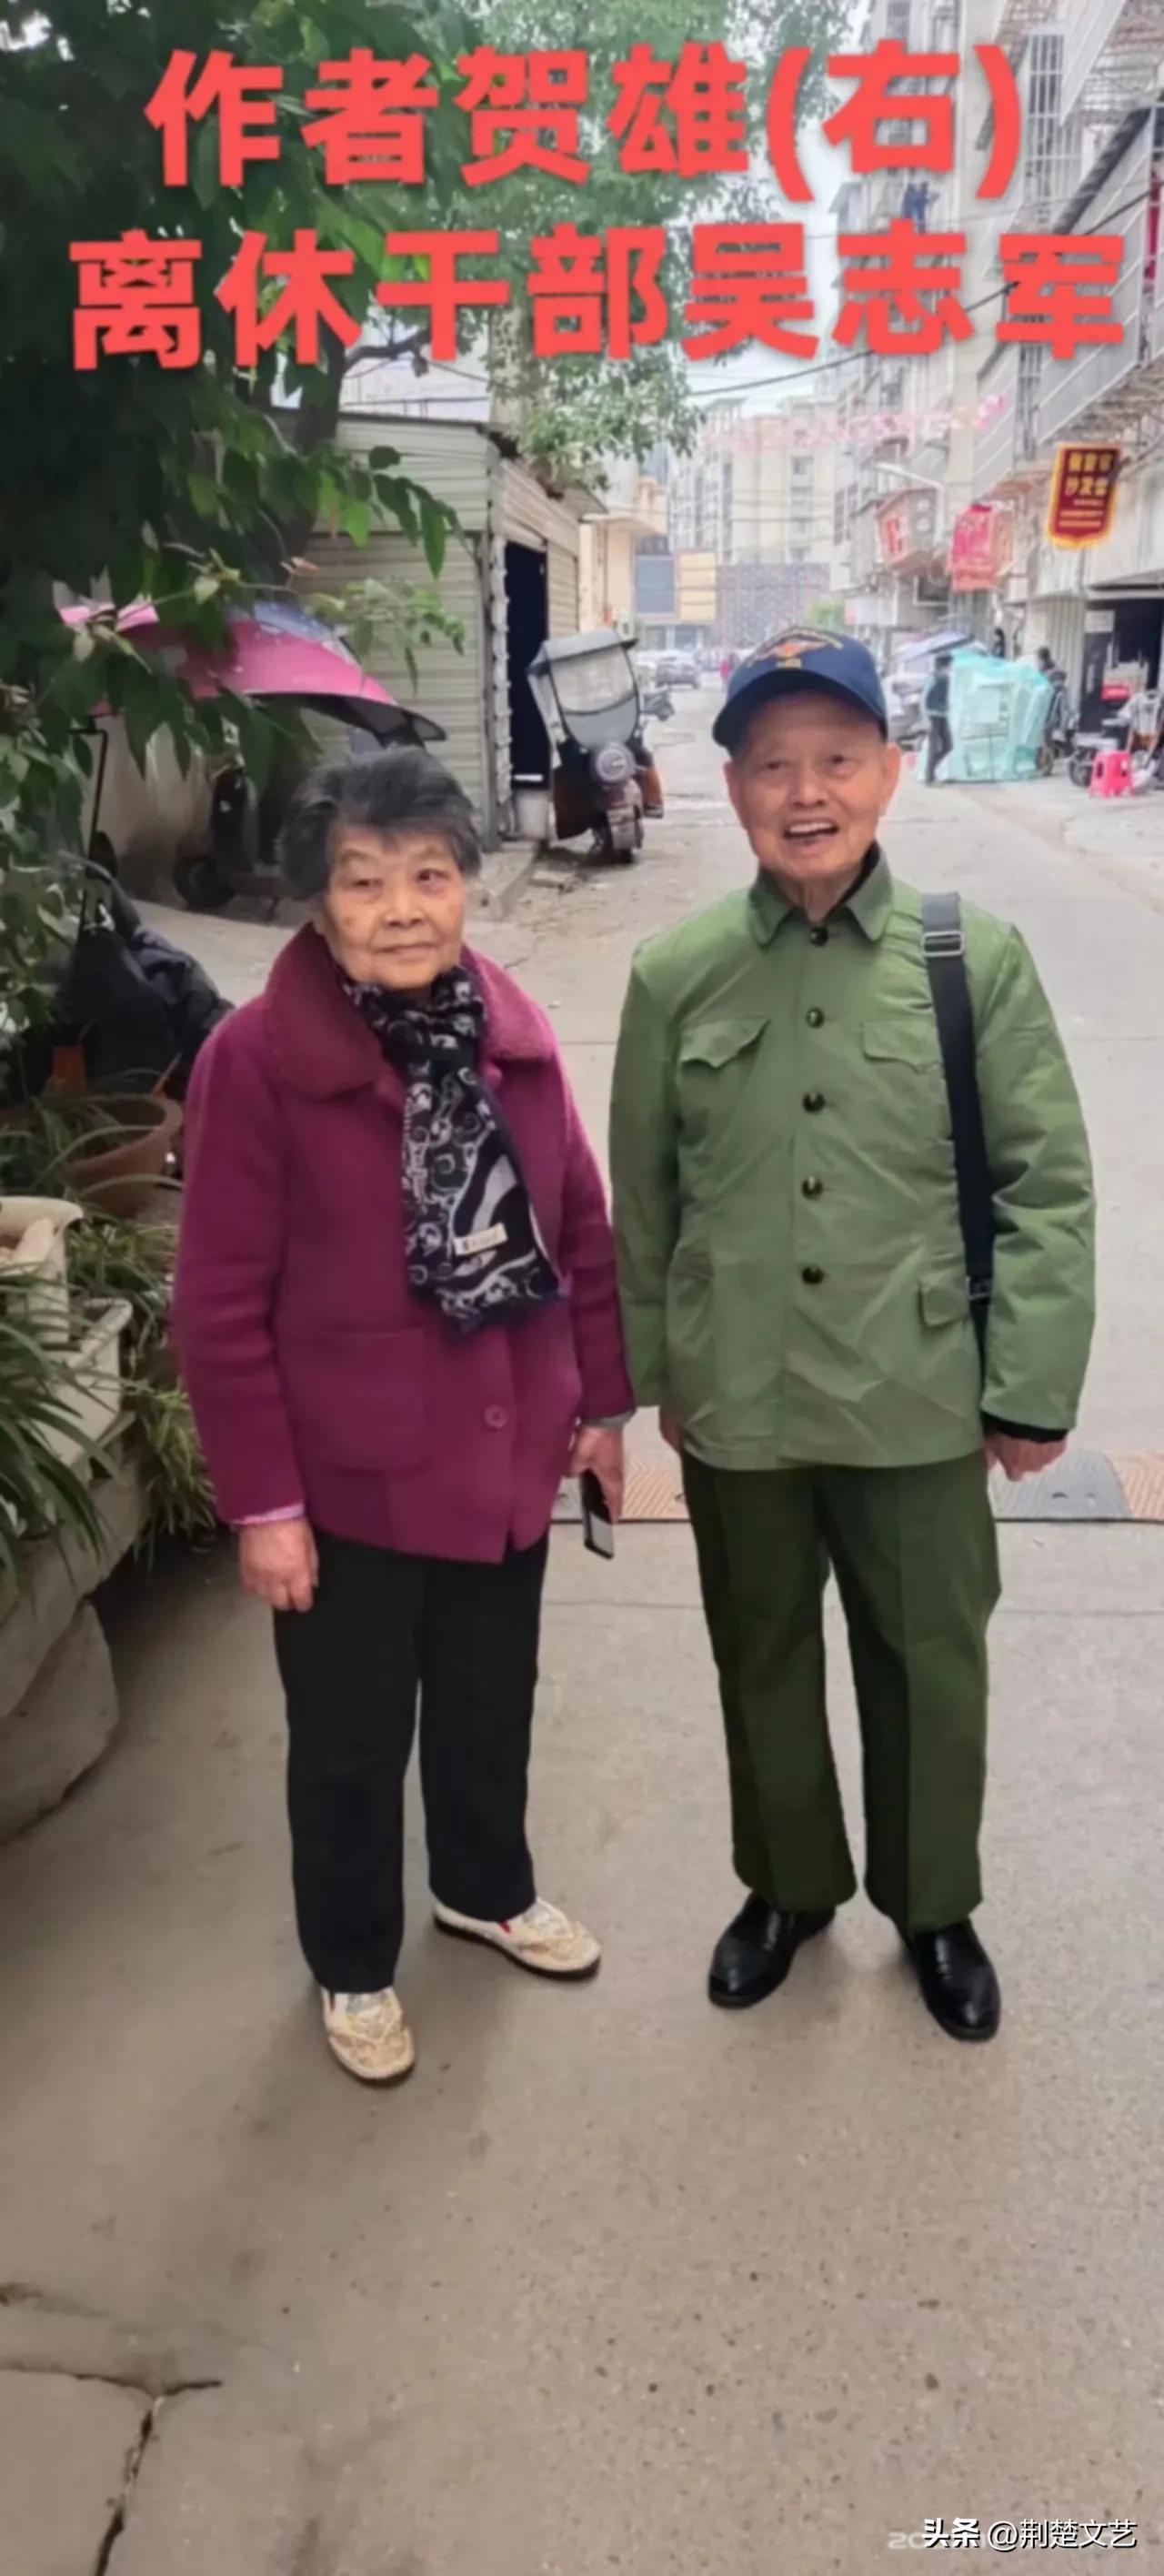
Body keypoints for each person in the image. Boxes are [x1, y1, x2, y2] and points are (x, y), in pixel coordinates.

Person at [609, 630, 1095, 2045]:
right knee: (758, 1654)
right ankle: (788, 1888)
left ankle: (935, 1907)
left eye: (835, 759)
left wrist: (1030, 1389)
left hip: (919, 1394)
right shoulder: (676, 973)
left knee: (931, 1664)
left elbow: (1047, 1187)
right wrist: (653, 1380)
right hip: (741, 1396)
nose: (805, 792)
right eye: (773, 765)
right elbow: (645, 1199)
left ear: (889, 771)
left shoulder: (971, 960)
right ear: (734, 788)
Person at [173, 750, 632, 2087]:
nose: (400, 910)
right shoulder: (255, 1061)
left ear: (466, 886)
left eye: (429, 876)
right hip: (350, 1484)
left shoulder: (509, 1032)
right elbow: (217, 1304)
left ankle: (484, 1889)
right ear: (316, 901)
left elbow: (578, 1228)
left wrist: (601, 1404)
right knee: (351, 1742)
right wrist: (264, 1506)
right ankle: (354, 1961)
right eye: (363, 882)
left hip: (504, 1458)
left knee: (491, 1704)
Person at [921, 650, 953, 783]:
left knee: (948, 746)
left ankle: (931, 771)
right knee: (934, 747)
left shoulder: (947, 679)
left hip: (943, 716)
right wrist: (925, 719)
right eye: (949, 664)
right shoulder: (933, 678)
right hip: (932, 716)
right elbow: (923, 699)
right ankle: (929, 777)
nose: (951, 667)